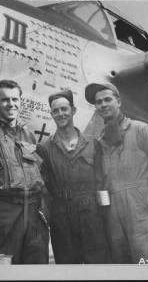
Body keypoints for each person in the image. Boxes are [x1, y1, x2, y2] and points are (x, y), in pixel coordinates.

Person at [85, 82, 148, 264]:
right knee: (121, 259)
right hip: (113, 208)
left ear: (119, 102)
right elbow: (101, 178)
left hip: (140, 203)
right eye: (98, 102)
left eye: (107, 99)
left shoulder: (140, 129)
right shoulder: (100, 141)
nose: (103, 105)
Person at [0, 79, 49, 264]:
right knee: (3, 268)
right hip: (3, 214)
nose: (11, 104)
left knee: (36, 267)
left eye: (15, 100)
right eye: (5, 100)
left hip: (32, 212)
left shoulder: (29, 135)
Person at [36, 90, 110, 264]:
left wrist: (103, 213)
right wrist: (50, 215)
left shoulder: (92, 143)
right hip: (61, 217)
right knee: (68, 266)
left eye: (64, 109)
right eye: (56, 111)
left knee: (98, 264)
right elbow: (44, 186)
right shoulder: (44, 148)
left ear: (73, 110)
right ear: (51, 114)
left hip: (91, 214)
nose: (61, 114)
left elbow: (102, 180)